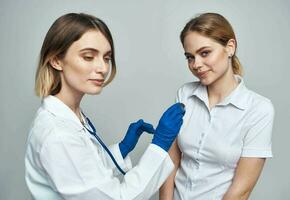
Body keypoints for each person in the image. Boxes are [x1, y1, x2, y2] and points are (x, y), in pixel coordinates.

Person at [25, 13, 185, 200]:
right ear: (56, 60)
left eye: (107, 58)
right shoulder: (58, 134)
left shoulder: (72, 116)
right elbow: (115, 197)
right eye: (88, 57)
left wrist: (122, 149)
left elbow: (85, 175)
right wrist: (160, 145)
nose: (102, 68)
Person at [159, 13, 275, 200]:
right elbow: (170, 160)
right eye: (190, 57)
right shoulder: (185, 95)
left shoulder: (259, 109)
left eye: (205, 53)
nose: (196, 64)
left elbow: (241, 191)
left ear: (230, 47)